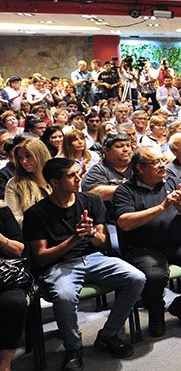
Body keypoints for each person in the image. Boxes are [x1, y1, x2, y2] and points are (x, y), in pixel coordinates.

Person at [25, 158, 146, 370]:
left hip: (94, 258)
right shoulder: (37, 214)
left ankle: (108, 335)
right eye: (71, 175)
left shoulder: (91, 201)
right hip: (59, 265)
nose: (79, 178)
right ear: (54, 182)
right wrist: (74, 238)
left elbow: (103, 243)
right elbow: (41, 257)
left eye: (78, 173)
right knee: (64, 296)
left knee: (136, 278)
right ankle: (73, 347)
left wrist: (90, 233)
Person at [113, 147, 181, 337]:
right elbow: (125, 222)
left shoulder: (171, 180)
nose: (162, 165)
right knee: (155, 276)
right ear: (139, 168)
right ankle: (156, 313)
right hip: (143, 247)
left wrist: (180, 204)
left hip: (177, 241)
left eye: (162, 160)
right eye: (155, 163)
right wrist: (162, 208)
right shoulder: (125, 190)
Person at [0, 204, 27, 371]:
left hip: (5, 278)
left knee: (14, 302)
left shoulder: (2, 211)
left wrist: (1, 240)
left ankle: (4, 365)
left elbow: (20, 250)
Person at [5, 138, 52, 228]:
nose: (24, 161)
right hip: (32, 234)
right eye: (20, 158)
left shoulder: (57, 178)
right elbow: (14, 219)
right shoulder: (15, 184)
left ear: (40, 155)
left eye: (28, 156)